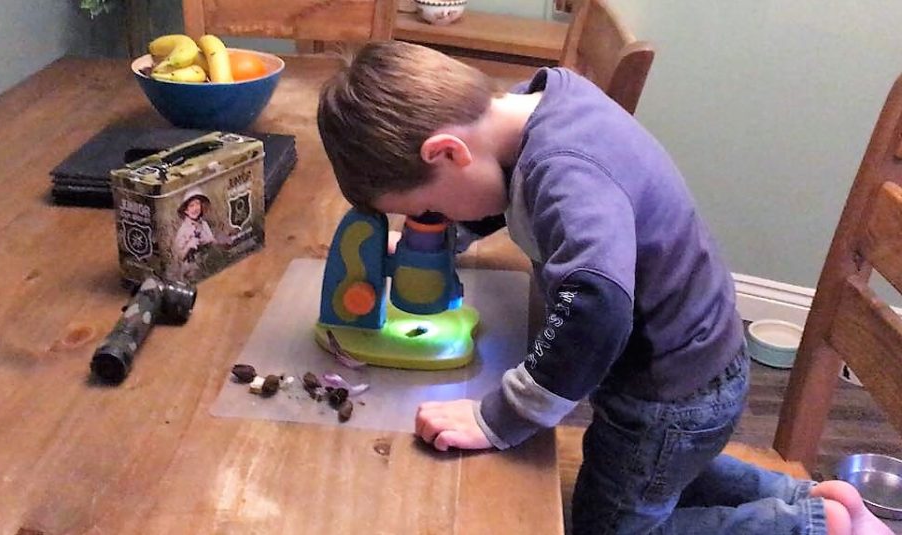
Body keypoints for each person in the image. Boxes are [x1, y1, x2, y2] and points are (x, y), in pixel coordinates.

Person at [316, 41, 892, 534]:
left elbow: (594, 303)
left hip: (670, 392)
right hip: (692, 368)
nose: (436, 217)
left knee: (608, 525)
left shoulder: (566, 171)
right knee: (660, 468)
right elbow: (500, 188)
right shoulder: (533, 108)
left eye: (429, 209)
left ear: (448, 151)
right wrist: (437, 241)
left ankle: (805, 527)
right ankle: (808, 499)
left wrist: (501, 416)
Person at [171, 188, 215, 282]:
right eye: (191, 205)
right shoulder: (183, 230)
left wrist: (206, 241)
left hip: (206, 266)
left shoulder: (204, 224)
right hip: (189, 272)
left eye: (197, 204)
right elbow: (178, 256)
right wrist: (189, 246)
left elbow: (212, 241)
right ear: (186, 210)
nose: (195, 208)